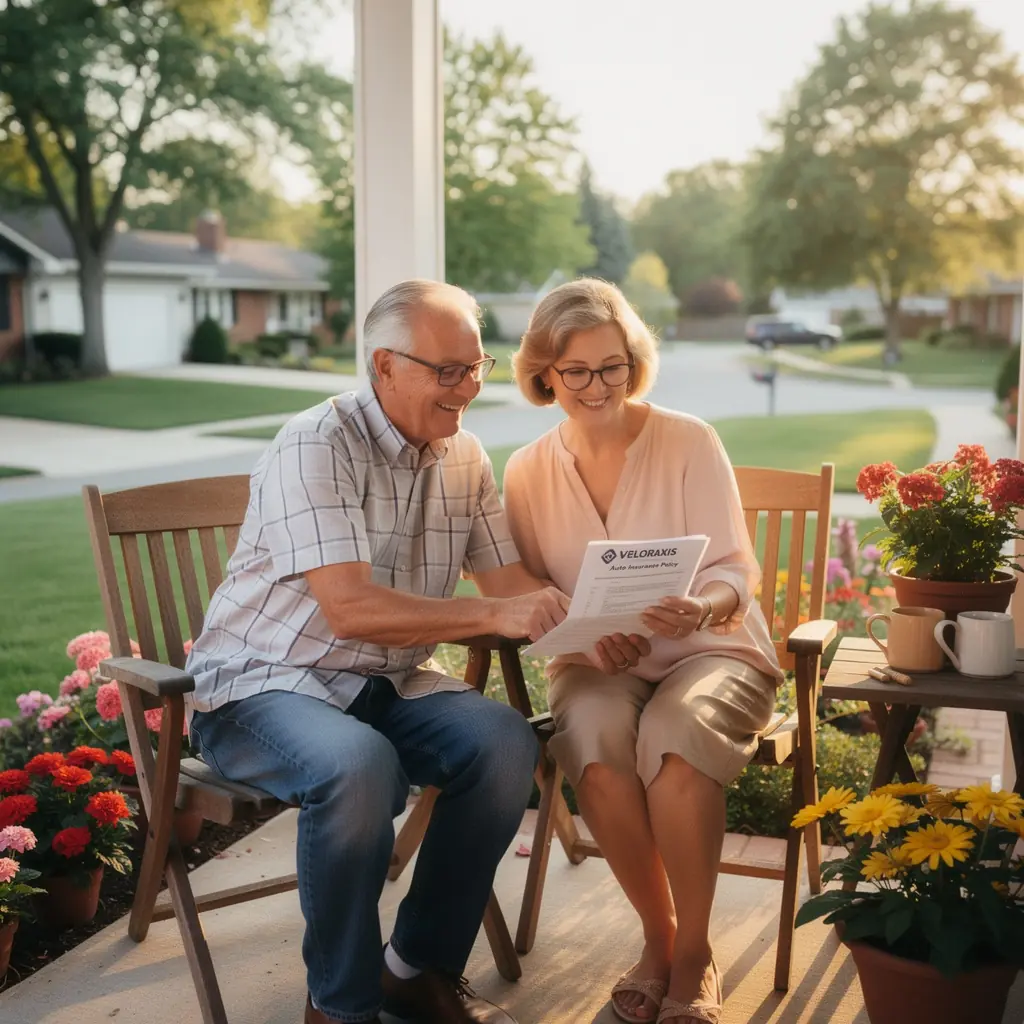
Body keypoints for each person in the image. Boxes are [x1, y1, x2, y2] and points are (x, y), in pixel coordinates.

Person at [185, 280, 646, 1024]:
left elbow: (509, 584)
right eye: (447, 370)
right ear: (384, 366)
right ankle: (340, 1005)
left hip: (386, 685)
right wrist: (499, 610)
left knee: (501, 741)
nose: (467, 387)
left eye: (476, 366)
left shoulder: (463, 457)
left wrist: (595, 620)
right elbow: (349, 609)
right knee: (357, 766)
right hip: (262, 687)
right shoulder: (317, 443)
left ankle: (414, 967)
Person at [503, 279, 784, 1024]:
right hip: (598, 662)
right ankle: (657, 939)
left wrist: (702, 603)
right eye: (577, 371)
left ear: (633, 362)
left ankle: (695, 952)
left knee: (675, 735)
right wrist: (583, 633)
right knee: (593, 740)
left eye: (613, 366)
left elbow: (735, 570)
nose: (598, 387)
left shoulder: (689, 439)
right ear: (544, 374)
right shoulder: (526, 471)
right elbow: (529, 585)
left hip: (710, 646)